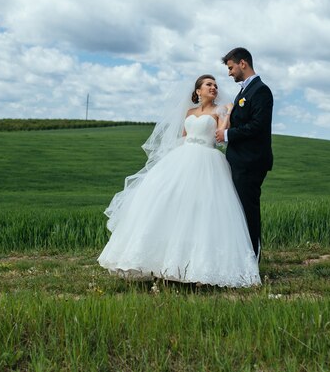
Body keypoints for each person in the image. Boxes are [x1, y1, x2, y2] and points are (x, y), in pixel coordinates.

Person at [98, 74, 261, 288]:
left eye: (215, 85)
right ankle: (159, 261)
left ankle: (199, 266)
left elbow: (221, 135)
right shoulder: (189, 112)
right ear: (198, 91)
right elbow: (184, 136)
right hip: (183, 158)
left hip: (207, 160)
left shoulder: (221, 109)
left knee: (203, 211)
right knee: (166, 203)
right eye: (208, 85)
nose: (214, 88)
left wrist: (228, 113)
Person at [215, 48, 273, 260]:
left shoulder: (261, 91)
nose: (229, 73)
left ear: (243, 64)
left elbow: (258, 125)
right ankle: (242, 256)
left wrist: (227, 134)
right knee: (238, 211)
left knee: (248, 212)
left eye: (230, 68)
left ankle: (253, 259)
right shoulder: (243, 92)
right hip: (240, 161)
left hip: (251, 162)